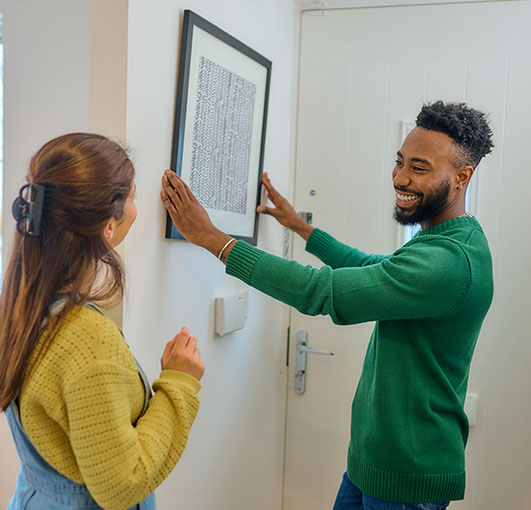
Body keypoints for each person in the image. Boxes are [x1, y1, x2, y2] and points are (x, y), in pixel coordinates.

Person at [160, 101, 494, 509]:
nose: (401, 177)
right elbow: (373, 268)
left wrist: (214, 239)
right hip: (374, 465)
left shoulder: (450, 261)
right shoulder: (446, 239)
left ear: (462, 177)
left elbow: (321, 292)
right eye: (399, 161)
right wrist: (299, 226)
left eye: (419, 168)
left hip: (407, 478)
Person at [0, 133, 204, 510]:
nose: (137, 208)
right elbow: (121, 485)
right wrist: (179, 383)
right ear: (108, 224)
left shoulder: (14, 306)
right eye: (133, 197)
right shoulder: (88, 340)